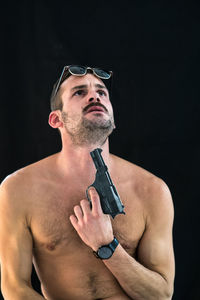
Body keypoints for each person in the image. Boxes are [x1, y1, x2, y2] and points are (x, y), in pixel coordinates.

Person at [0, 65, 175, 300]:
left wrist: (108, 247)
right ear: (56, 119)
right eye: (79, 92)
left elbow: (161, 295)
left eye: (102, 92)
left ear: (112, 119)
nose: (95, 96)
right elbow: (14, 287)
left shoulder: (152, 190)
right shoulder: (17, 189)